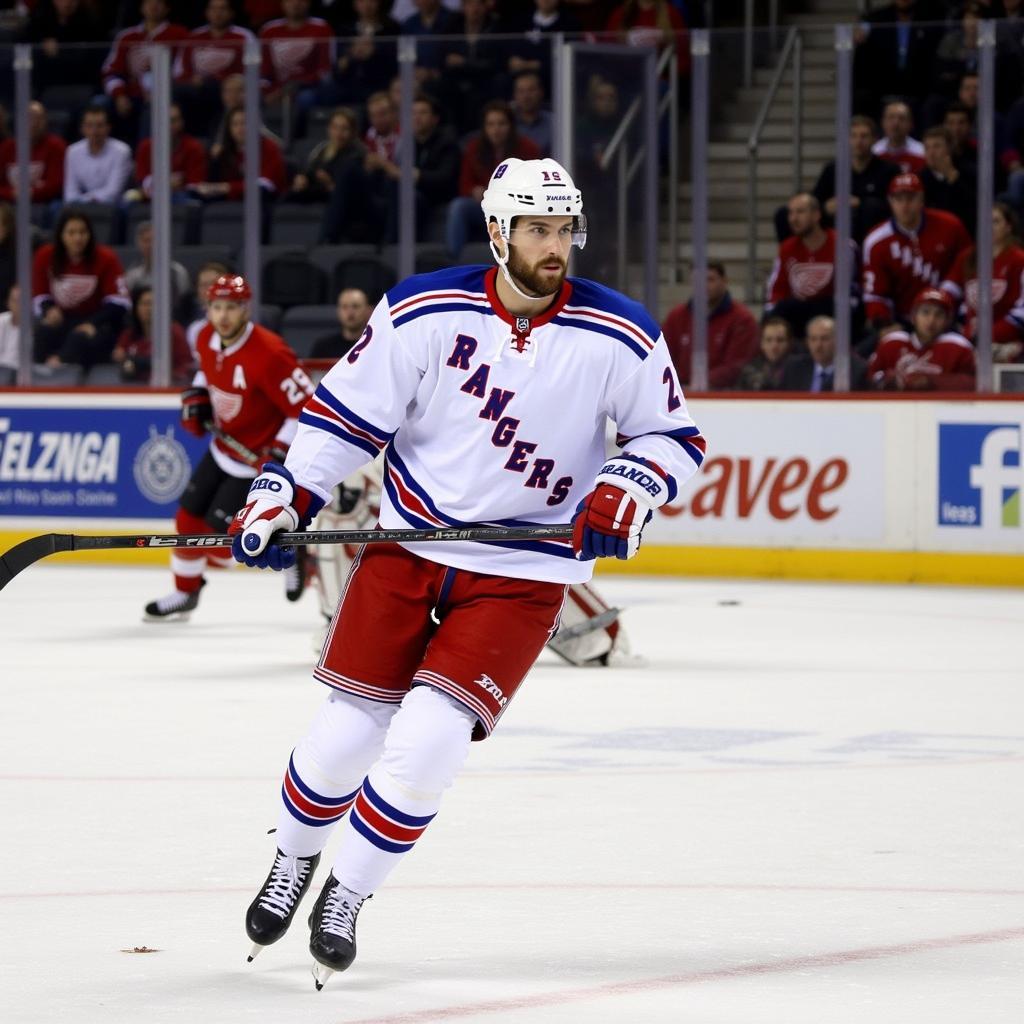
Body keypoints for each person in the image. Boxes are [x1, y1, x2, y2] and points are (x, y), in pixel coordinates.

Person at [230, 157, 706, 986]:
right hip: (408, 550)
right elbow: (345, 416)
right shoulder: (423, 309)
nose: (556, 247)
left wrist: (628, 484)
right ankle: (294, 860)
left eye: (564, 229)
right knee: (344, 741)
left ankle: (346, 892)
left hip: (523, 574)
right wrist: (283, 491)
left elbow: (672, 435)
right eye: (537, 230)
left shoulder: (620, 331)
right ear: (498, 231)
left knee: (428, 742)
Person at [144, 273, 315, 619]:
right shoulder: (206, 337)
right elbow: (207, 373)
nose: (223, 316)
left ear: (245, 309)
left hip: (258, 462)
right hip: (224, 449)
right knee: (187, 520)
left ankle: (294, 550)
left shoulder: (270, 353)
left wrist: (278, 450)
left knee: (222, 542)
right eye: (216, 307)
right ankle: (185, 593)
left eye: (231, 308)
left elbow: (305, 409)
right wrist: (197, 396)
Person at [862, 173, 971, 334]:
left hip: (947, 316)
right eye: (899, 199)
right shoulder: (876, 241)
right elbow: (875, 294)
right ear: (890, 201)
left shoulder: (950, 226)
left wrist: (946, 300)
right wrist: (884, 323)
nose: (905, 205)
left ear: (922, 200)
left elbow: (968, 266)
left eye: (911, 198)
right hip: (901, 322)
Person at [31, 208, 129, 370]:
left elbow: (119, 303)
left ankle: (61, 370)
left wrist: (92, 323)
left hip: (97, 322)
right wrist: (49, 309)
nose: (78, 238)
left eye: (82, 232)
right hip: (62, 320)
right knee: (42, 332)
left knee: (79, 337)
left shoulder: (106, 258)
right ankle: (36, 378)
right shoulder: (45, 256)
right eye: (71, 233)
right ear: (61, 235)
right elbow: (39, 294)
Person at [446, 100, 541, 258]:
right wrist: (474, 190)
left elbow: (536, 188)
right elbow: (464, 185)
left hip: (515, 208)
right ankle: (453, 261)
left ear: (511, 126)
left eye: (501, 124)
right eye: (490, 124)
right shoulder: (474, 148)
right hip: (484, 207)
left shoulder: (528, 148)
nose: (496, 130)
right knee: (458, 206)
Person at [765, 193, 859, 338]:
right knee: (778, 313)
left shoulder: (842, 245)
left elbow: (851, 291)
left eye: (800, 212)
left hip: (830, 312)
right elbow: (776, 290)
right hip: (798, 312)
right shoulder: (786, 248)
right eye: (791, 213)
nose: (793, 219)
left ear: (816, 215)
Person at [101, 0, 190, 142]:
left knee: (152, 110)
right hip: (129, 94)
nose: (153, 6)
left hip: (164, 95)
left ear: (167, 8)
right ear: (142, 7)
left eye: (158, 2)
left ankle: (145, 156)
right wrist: (119, 95)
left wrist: (160, 91)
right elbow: (111, 72)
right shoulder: (126, 36)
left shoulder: (179, 34)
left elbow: (182, 71)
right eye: (149, 2)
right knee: (98, 105)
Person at [660, 260, 759, 388]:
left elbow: (737, 364)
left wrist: (700, 385)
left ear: (724, 281)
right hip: (679, 392)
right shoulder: (676, 317)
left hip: (724, 395)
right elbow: (664, 357)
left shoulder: (742, 319)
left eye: (710, 279)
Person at [943, 201, 1024, 348]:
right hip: (970, 338)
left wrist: (990, 335)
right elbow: (949, 290)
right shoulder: (968, 258)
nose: (989, 227)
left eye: (996, 221)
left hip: (1007, 342)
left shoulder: (1019, 260)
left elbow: (1021, 311)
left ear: (1008, 227)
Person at [809, 115, 899, 243]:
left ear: (874, 139)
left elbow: (893, 205)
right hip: (834, 228)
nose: (858, 141)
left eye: (864, 136)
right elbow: (815, 201)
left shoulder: (889, 170)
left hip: (875, 231)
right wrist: (826, 207)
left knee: (868, 209)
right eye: (854, 136)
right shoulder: (832, 169)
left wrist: (860, 203)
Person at [867, 287, 975, 390]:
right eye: (925, 312)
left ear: (948, 321)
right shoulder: (892, 343)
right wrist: (890, 379)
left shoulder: (959, 347)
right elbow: (869, 378)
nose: (931, 320)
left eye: (939, 314)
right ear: (913, 317)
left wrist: (933, 381)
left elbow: (973, 383)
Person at [111, 284, 194, 385]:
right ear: (136, 308)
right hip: (134, 389)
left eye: (152, 303)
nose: (149, 308)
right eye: (144, 304)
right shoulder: (129, 334)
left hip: (167, 388)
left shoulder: (174, 332)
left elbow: (186, 365)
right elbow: (119, 357)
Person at [131, 103, 208, 202]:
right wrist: (168, 183)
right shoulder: (145, 147)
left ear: (182, 122)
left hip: (182, 198)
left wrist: (156, 183)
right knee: (128, 201)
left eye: (174, 121)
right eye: (164, 121)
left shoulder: (194, 147)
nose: (169, 125)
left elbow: (194, 186)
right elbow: (142, 182)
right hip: (150, 198)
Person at [63, 105, 133, 207]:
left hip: (113, 205)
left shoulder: (122, 151)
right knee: (57, 207)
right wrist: (84, 201)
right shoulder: (72, 151)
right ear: (82, 128)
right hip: (80, 204)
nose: (94, 131)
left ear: (108, 128)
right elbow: (70, 192)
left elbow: (114, 191)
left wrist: (85, 200)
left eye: (99, 126)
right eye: (89, 126)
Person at [0, 101, 66, 206]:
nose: (34, 123)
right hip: (10, 202)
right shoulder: (7, 147)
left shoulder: (56, 146)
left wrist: (32, 193)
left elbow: (56, 184)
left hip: (44, 202)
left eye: (38, 118)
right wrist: (11, 193)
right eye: (29, 118)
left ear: (45, 121)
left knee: (56, 206)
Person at [780, 315, 867, 391]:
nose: (818, 345)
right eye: (813, 339)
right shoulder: (794, 368)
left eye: (824, 339)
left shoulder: (857, 370)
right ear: (807, 342)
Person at [123, 220, 192, 312]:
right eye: (146, 241)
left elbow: (185, 304)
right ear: (139, 244)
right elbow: (128, 305)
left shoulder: (178, 272)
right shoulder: (132, 274)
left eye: (154, 240)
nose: (150, 245)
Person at [920, 125, 977, 236]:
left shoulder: (968, 172)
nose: (931, 153)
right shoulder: (921, 178)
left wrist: (953, 179)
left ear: (950, 148)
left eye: (937, 147)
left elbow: (974, 208)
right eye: (927, 148)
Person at [310, 287, 372, 359]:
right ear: (338, 311)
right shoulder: (323, 347)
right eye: (344, 307)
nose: (350, 313)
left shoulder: (375, 345)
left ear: (368, 310)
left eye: (355, 307)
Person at [735, 316, 793, 391]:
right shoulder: (749, 370)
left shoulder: (799, 370)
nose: (774, 346)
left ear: (789, 343)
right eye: (768, 340)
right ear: (762, 344)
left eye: (780, 340)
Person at [871, 100, 925, 176]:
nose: (895, 123)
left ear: (911, 124)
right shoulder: (874, 152)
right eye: (891, 117)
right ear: (883, 122)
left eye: (901, 118)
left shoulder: (922, 153)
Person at [510, 71, 553, 156]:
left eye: (531, 90)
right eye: (521, 91)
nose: (526, 96)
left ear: (541, 92)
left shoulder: (555, 123)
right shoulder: (506, 123)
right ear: (514, 95)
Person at [0, 283, 20, 385]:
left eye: (21, 301)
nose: (18, 305)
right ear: (8, 302)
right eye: (14, 301)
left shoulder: (36, 326)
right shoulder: (1, 320)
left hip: (21, 374)